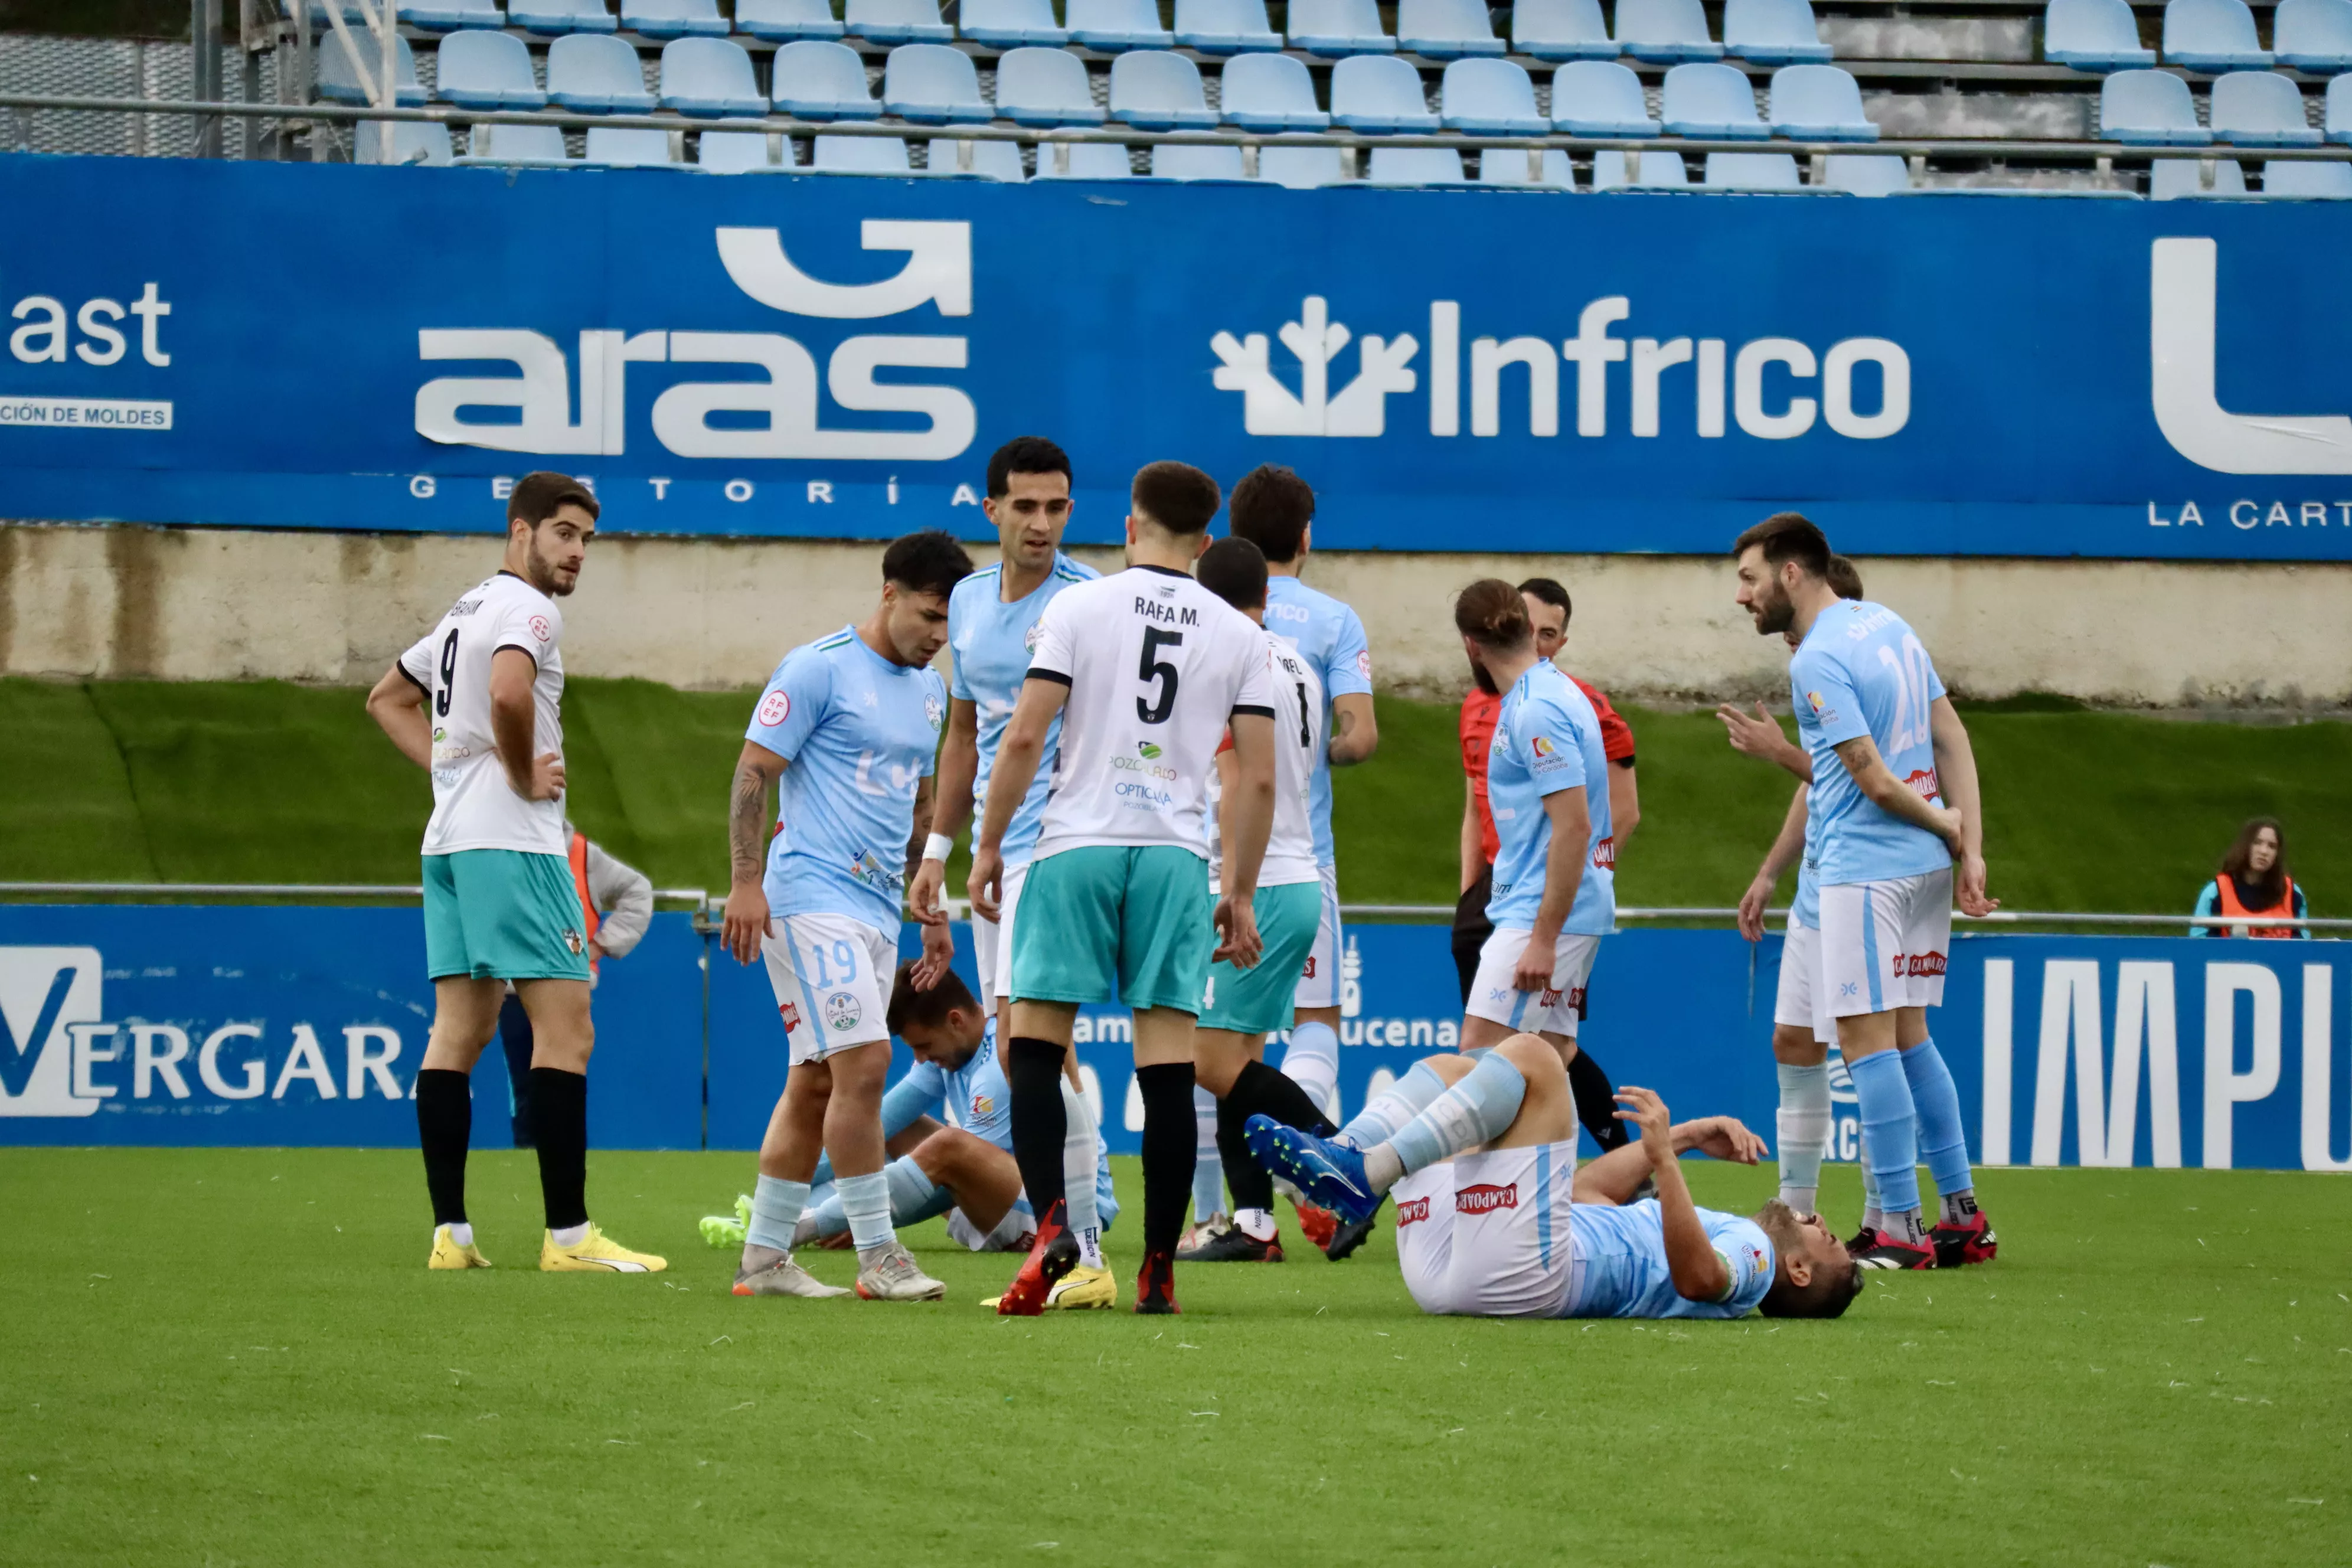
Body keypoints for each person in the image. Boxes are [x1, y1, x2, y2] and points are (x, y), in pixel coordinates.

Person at [970, 460, 1278, 1315]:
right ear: (1207, 540)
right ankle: (1158, 1268)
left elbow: (1026, 737)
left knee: (1032, 1045)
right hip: (1176, 853)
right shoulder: (1239, 633)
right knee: (1169, 1067)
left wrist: (989, 845)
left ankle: (1050, 1232)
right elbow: (1256, 779)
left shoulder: (1078, 605)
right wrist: (1241, 891)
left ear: (1130, 527)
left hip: (1077, 843)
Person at [362, 470, 664, 1275]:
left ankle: (450, 1238)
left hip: (450, 844)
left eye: (587, 541)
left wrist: (452, 771)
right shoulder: (530, 611)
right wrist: (524, 771)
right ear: (521, 530)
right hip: (514, 844)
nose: (577, 554)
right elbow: (506, 692)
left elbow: (386, 699)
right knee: (569, 1030)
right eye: (565, 533)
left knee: (458, 1032)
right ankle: (570, 1238)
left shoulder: (465, 608)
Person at [1733, 513, 1998, 1270]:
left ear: (1791, 572)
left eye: (1750, 578)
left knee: (1865, 1045)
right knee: (1910, 1037)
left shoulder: (1815, 660)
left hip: (1866, 869)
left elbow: (1873, 781)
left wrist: (1949, 823)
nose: (1743, 596)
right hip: (1921, 871)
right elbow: (1953, 736)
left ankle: (1898, 1229)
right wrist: (1965, 844)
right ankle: (1960, 1217)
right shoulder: (1887, 621)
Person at [720, 530, 972, 1303]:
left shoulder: (932, 691)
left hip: (873, 909)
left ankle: (763, 1263)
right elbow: (755, 771)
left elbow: (919, 802)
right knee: (866, 1066)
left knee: (816, 1085)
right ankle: (878, 1255)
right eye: (930, 616)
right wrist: (745, 881)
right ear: (889, 592)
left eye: (949, 627)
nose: (938, 638)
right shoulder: (818, 667)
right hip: (807, 898)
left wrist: (925, 896)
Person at [1245, 1038, 1862, 1322]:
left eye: (1825, 1238)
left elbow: (1700, 1278)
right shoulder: (1725, 1234)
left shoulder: (1755, 1260)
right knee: (1454, 1068)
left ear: (1799, 1272)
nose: (1817, 1221)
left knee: (1539, 1058)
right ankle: (1346, 1159)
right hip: (1463, 1270)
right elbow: (1590, 1192)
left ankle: (1363, 1174)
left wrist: (1669, 1165)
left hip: (1530, 1275)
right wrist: (1684, 1136)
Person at [1217, 465, 1378, 1245]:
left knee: (1214, 1043)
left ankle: (1267, 1199)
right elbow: (1363, 736)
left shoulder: (1215, 617)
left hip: (1232, 865)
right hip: (1308, 859)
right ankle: (1292, 1191)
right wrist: (1316, 753)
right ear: (1307, 537)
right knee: (1312, 1022)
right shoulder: (1332, 621)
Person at [1717, 556, 1894, 1247]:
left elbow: (1858, 773)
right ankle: (1795, 1211)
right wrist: (1768, 873)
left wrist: (1778, 749)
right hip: (1818, 894)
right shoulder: (1814, 663)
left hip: (1864, 886)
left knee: (1870, 1052)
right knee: (1794, 1040)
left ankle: (1888, 1214)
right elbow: (1815, 790)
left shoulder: (1857, 669)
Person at [1179, 537, 1347, 1265]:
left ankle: (1351, 1163)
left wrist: (1232, 889)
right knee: (1237, 1060)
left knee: (1208, 1061)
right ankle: (1251, 1223)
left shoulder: (1229, 660)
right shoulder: (1296, 662)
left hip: (1260, 878)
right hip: (1298, 871)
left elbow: (1242, 783)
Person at [788, 966, 1125, 1306]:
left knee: (950, 1147)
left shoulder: (996, 1070)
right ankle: (788, 1218)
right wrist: (793, 1193)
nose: (920, 1058)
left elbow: (950, 1176)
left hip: (1060, 1213)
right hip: (1009, 1192)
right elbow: (881, 1122)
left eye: (924, 1045)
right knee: (885, 1128)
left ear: (955, 1020)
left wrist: (861, 1219)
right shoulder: (950, 1055)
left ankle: (799, 1228)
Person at [910, 437, 1099, 1034]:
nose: (1042, 524)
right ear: (991, 510)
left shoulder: (1087, 598)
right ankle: (1072, 1136)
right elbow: (964, 737)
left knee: (1025, 1032)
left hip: (1058, 839)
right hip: (995, 847)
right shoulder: (966, 599)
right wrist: (938, 853)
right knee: (1012, 1034)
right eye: (1025, 507)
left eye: (1056, 507)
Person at [1454, 577, 1638, 1157]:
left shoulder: (1535, 708)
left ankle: (1452, 1207)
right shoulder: (1551, 691)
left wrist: (1542, 938)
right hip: (1549, 903)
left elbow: (1576, 826)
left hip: (1540, 909)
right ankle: (1573, 1191)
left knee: (1477, 1058)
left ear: (1470, 645)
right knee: (1552, 1055)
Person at [496, 822, 652, 1147]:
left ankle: (564, 1160)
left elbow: (637, 892)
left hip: (569, 985)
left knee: (562, 1079)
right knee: (524, 1083)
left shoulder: (581, 854)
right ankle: (526, 1159)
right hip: (513, 989)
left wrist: (598, 947)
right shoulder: (497, 843)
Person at [2193, 818, 2309, 939]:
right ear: (2245, 846)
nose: (2264, 851)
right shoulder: (2215, 892)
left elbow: (2304, 947)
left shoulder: (2293, 894)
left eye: (2272, 846)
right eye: (2257, 843)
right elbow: (2199, 946)